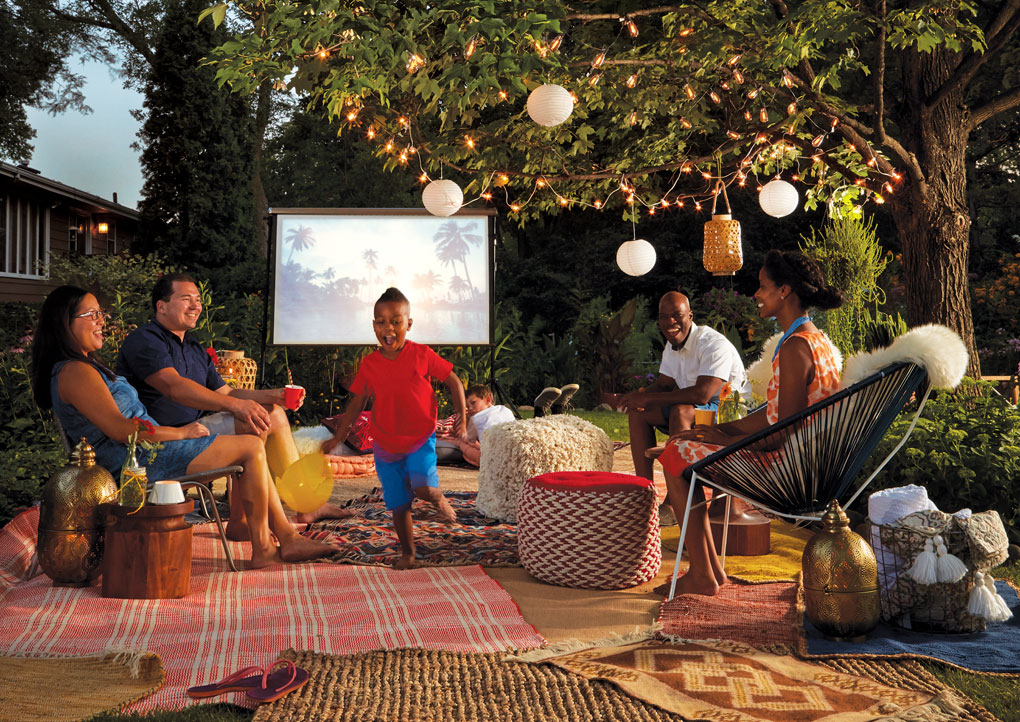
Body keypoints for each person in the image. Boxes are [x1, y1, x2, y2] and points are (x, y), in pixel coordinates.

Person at [31, 286, 334, 569]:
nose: (101, 321)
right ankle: (269, 548)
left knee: (252, 438)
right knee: (250, 446)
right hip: (134, 461)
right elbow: (121, 430)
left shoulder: (86, 366)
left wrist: (273, 397)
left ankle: (276, 537)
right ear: (64, 323)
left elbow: (223, 394)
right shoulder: (75, 371)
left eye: (101, 314)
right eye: (92, 315)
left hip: (147, 449)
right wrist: (181, 433)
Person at [659, 250, 844, 595]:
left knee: (676, 454)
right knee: (686, 446)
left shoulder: (795, 348)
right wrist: (721, 431)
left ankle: (703, 573)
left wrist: (725, 444)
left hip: (787, 470)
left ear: (784, 290)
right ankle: (711, 572)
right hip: (806, 460)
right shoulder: (815, 341)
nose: (756, 295)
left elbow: (782, 432)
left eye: (762, 287)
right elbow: (776, 414)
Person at [116, 273, 351, 532]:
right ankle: (242, 522)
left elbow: (227, 393)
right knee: (252, 421)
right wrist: (237, 407)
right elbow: (174, 388)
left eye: (198, 299)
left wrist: (274, 396)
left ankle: (303, 505)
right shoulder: (146, 340)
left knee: (271, 413)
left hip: (197, 428)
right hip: (164, 437)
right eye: (186, 299)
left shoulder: (193, 347)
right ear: (161, 306)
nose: (196, 305)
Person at [319, 287, 467, 570]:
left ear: (408, 324)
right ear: (373, 325)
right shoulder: (370, 364)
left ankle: (437, 498)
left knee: (423, 488)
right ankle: (409, 553)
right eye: (380, 321)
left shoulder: (421, 354)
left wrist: (462, 416)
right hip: (385, 445)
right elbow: (356, 403)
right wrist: (337, 437)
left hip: (419, 438)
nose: (388, 328)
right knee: (399, 505)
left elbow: (454, 381)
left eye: (396, 321)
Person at [618, 291, 750, 482]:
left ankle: (677, 493)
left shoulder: (712, 344)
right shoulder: (672, 344)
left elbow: (702, 395)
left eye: (676, 315)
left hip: (730, 410)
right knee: (639, 412)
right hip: (697, 409)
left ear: (690, 316)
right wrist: (637, 397)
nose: (670, 322)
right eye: (663, 317)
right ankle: (644, 489)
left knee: (681, 412)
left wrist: (648, 398)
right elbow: (664, 384)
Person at [437, 384, 514, 466]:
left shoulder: (476, 418)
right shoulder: (505, 409)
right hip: (511, 448)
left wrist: (456, 440)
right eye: (467, 406)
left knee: (463, 445)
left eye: (473, 403)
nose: (469, 408)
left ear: (488, 400)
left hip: (494, 455)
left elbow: (468, 440)